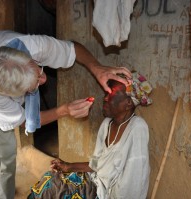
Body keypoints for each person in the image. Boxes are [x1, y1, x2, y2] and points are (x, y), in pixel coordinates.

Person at [0, 30, 132, 199]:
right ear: (11, 95)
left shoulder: (33, 45)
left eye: (38, 70)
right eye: (34, 85)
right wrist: (64, 110)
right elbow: (25, 121)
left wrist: (98, 69)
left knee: (8, 150)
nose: (43, 79)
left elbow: (73, 49)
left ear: (25, 56)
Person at [28, 71, 152, 199]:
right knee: (50, 180)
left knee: (54, 191)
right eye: (106, 93)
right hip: (94, 182)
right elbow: (97, 164)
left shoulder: (137, 127)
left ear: (129, 103)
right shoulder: (107, 124)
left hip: (107, 194)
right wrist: (68, 166)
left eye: (112, 93)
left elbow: (135, 180)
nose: (105, 98)